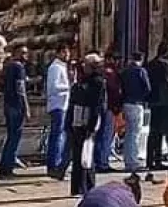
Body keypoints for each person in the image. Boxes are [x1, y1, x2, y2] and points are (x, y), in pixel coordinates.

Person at [68, 53, 107, 198]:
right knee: (78, 155)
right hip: (77, 119)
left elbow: (96, 105)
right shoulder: (81, 81)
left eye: (86, 64)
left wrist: (92, 125)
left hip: (88, 120)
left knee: (86, 155)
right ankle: (77, 186)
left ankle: (87, 186)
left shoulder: (98, 82)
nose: (84, 66)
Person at [0, 43, 31, 178]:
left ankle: (5, 164)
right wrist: (26, 107)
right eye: (22, 53)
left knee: (11, 136)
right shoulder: (18, 67)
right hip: (16, 105)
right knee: (14, 136)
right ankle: (7, 167)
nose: (25, 56)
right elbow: (21, 89)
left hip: (8, 103)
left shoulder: (8, 66)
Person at [121, 50, 151, 177]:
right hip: (137, 103)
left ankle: (127, 160)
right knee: (135, 133)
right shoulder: (141, 71)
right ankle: (133, 162)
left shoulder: (125, 71)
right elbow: (147, 88)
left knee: (128, 133)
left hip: (126, 103)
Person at [146, 41, 168, 180]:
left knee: (153, 131)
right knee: (160, 131)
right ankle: (157, 159)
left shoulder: (150, 64)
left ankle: (150, 159)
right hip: (163, 101)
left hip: (153, 100)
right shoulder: (165, 65)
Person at [46, 42, 72, 179]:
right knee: (56, 135)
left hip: (63, 104)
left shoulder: (63, 67)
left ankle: (57, 162)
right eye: (65, 53)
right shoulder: (55, 68)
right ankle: (53, 163)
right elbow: (53, 87)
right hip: (57, 105)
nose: (67, 55)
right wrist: (68, 87)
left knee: (60, 135)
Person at [97, 50, 123, 173]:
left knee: (103, 136)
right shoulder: (110, 73)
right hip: (110, 108)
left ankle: (100, 160)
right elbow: (114, 91)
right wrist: (116, 107)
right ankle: (103, 162)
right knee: (107, 136)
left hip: (103, 108)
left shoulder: (102, 72)